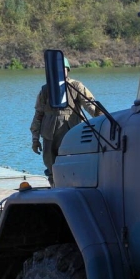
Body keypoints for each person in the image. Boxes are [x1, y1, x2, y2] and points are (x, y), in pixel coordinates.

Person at [30, 57, 101, 186]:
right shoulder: (45, 90)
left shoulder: (76, 86)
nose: (60, 73)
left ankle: (73, 189)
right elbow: (38, 115)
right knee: (51, 165)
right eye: (57, 70)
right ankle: (54, 188)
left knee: (73, 163)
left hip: (71, 132)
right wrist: (35, 139)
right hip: (49, 134)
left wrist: (99, 115)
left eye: (63, 69)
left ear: (68, 70)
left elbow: (90, 105)